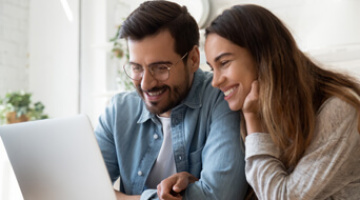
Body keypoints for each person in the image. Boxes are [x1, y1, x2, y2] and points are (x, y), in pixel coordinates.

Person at [159, 4, 360, 200]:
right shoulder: (256, 110)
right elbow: (255, 184)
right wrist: (193, 185)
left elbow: (280, 196)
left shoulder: (338, 110)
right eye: (213, 68)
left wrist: (253, 122)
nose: (216, 81)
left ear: (262, 57)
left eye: (224, 63)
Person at [94, 1, 248, 200]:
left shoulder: (222, 97)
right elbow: (83, 189)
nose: (146, 84)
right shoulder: (118, 111)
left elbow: (219, 196)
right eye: (137, 68)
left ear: (193, 59)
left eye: (160, 68)